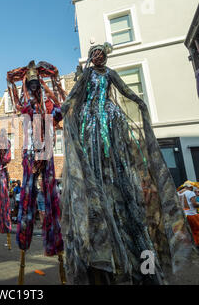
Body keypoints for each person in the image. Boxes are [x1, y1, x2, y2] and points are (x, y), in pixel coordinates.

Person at [60, 42, 196, 285]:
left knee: (116, 160)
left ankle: (141, 265)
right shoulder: (87, 75)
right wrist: (64, 108)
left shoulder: (110, 74)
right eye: (95, 54)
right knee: (94, 155)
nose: (98, 57)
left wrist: (139, 102)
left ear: (105, 56)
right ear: (91, 57)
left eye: (101, 54)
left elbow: (124, 90)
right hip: (91, 121)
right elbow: (74, 95)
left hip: (110, 121)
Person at [7, 60, 66, 285]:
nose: (32, 87)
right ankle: (24, 242)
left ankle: (56, 246)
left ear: (40, 85)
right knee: (28, 199)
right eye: (29, 84)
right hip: (30, 156)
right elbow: (17, 106)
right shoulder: (26, 107)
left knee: (52, 198)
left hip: (47, 155)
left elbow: (62, 111)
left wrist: (57, 85)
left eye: (35, 83)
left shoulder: (50, 104)